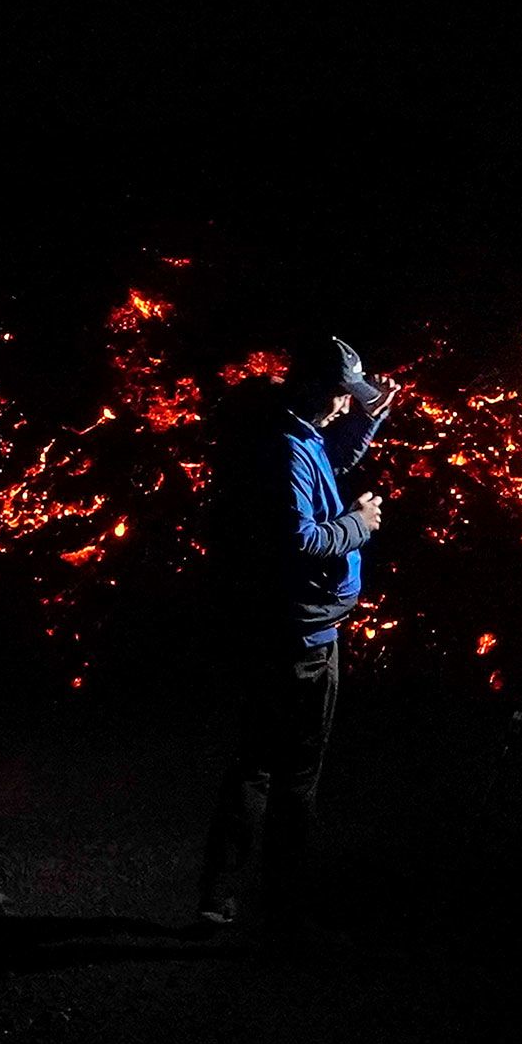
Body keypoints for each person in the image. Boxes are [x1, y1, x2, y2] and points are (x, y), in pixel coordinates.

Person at [194, 337, 397, 933]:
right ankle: (278, 906)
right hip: (297, 638)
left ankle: (226, 898)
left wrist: (367, 426)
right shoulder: (284, 447)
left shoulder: (293, 438)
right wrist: (358, 525)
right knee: (286, 774)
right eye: (339, 394)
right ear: (311, 389)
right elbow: (301, 538)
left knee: (257, 763)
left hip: (294, 628)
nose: (344, 406)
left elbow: (322, 467)